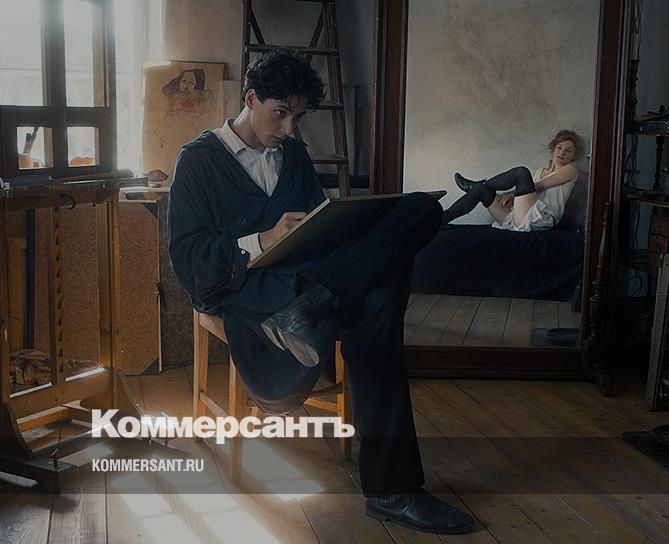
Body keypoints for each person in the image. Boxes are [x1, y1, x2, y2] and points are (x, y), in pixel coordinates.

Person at [167, 47, 475, 534]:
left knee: (422, 209)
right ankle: (392, 490)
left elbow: (319, 230)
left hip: (309, 278)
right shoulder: (198, 160)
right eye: (280, 113)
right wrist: (262, 240)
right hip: (244, 286)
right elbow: (190, 263)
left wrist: (336, 224)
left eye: (299, 117)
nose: (290, 129)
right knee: (378, 303)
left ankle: (314, 306)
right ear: (250, 98)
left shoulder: (293, 154)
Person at [441, 130, 583, 230]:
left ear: (574, 156)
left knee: (522, 173)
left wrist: (510, 194)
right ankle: (441, 219)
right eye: (559, 147)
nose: (562, 152)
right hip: (519, 216)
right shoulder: (540, 171)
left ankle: (480, 184)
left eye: (568, 150)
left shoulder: (571, 170)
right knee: (481, 191)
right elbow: (528, 194)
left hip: (541, 218)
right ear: (554, 148)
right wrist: (513, 197)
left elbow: (540, 186)